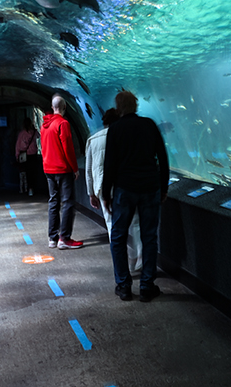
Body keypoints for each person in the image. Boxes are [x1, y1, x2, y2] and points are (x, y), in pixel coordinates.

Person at [102, 90, 169, 302]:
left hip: (124, 189)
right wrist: (164, 187)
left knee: (119, 236)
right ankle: (147, 285)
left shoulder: (115, 128)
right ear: (136, 105)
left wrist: (106, 193)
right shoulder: (149, 125)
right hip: (150, 188)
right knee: (149, 237)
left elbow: (110, 164)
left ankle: (123, 286)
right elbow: (163, 158)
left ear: (119, 108)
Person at [85, 108, 142, 274]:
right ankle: (140, 256)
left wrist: (91, 193)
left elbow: (88, 171)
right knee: (135, 221)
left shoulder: (93, 140)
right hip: (124, 186)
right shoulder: (125, 136)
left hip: (103, 188)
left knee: (112, 226)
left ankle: (123, 260)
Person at [40, 94, 83, 250]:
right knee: (67, 202)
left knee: (53, 202)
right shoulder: (63, 124)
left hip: (48, 168)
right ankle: (64, 238)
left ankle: (52, 238)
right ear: (65, 107)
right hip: (62, 169)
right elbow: (68, 149)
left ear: (53, 107)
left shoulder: (44, 125)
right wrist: (75, 168)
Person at [15, 118, 39, 196]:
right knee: (34, 171)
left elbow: (18, 145)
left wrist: (17, 155)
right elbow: (39, 136)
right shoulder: (34, 132)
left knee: (27, 172)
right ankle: (33, 188)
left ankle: (28, 188)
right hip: (34, 154)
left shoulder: (22, 133)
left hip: (25, 155)